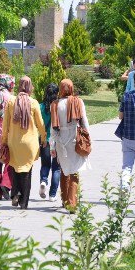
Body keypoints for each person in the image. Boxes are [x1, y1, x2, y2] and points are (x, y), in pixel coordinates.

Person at [1, 76, 46, 210]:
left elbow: (5, 126)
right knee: (27, 172)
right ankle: (23, 203)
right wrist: (43, 138)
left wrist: (3, 141)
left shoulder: (11, 102)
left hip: (14, 142)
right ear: (30, 86)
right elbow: (41, 124)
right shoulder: (33, 103)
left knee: (15, 169)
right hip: (30, 143)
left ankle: (15, 193)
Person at [50, 79, 90, 211]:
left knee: (64, 170)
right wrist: (88, 137)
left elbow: (52, 129)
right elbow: (84, 121)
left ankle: (65, 200)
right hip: (74, 139)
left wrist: (52, 146)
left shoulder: (55, 104)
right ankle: (72, 203)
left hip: (61, 141)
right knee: (74, 172)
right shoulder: (78, 101)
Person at [39, 83, 61, 202]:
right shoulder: (58, 106)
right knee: (56, 168)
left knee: (45, 164)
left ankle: (43, 181)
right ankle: (52, 195)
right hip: (57, 140)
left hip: (45, 140)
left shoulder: (41, 106)